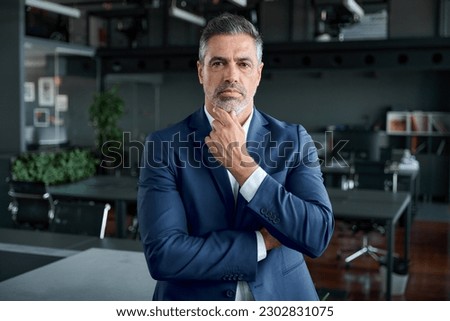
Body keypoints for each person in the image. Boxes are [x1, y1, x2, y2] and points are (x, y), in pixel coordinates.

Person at [137, 12, 334, 301]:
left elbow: (316, 235)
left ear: (258, 73)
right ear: (200, 71)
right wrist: (261, 243)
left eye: (243, 63)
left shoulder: (293, 139)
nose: (231, 75)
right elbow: (164, 255)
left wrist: (244, 169)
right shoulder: (163, 146)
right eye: (218, 63)